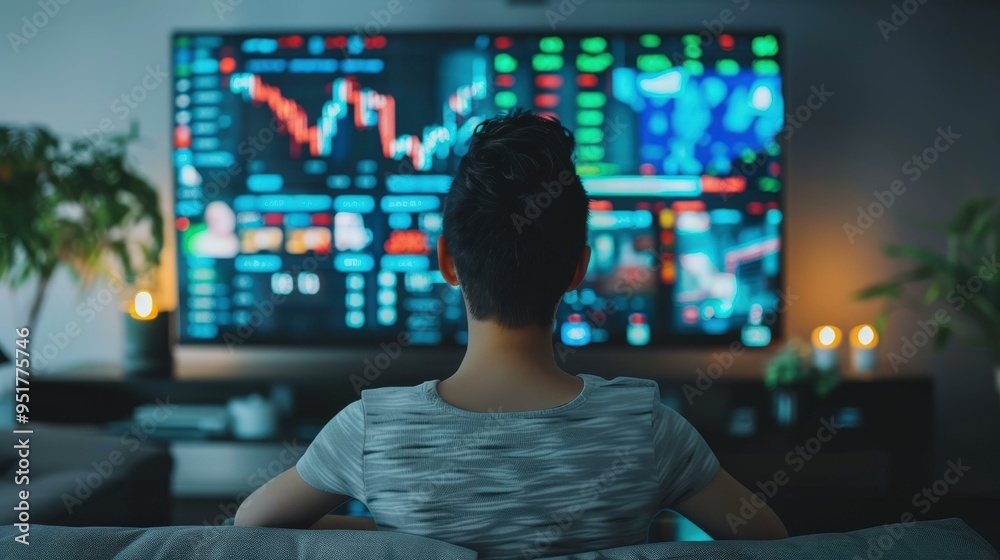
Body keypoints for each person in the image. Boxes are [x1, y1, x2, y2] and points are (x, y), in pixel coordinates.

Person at [234, 109, 787, 558]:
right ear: (578, 269)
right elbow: (774, 545)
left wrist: (398, 546)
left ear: (447, 261)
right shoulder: (647, 427)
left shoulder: (369, 430)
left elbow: (251, 528)